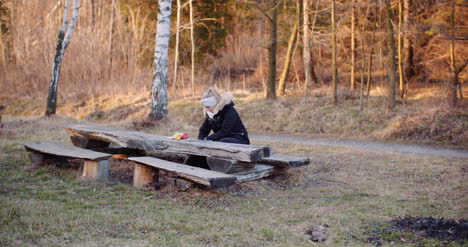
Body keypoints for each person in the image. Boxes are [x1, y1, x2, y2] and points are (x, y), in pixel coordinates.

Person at [184, 88, 250, 169]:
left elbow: (224, 131)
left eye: (208, 107)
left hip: (239, 139)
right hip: (222, 139)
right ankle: (195, 167)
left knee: (219, 144)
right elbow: (203, 129)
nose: (206, 109)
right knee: (209, 145)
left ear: (215, 104)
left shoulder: (229, 110)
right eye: (205, 107)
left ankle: (215, 167)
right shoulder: (210, 114)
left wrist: (207, 139)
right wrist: (201, 141)